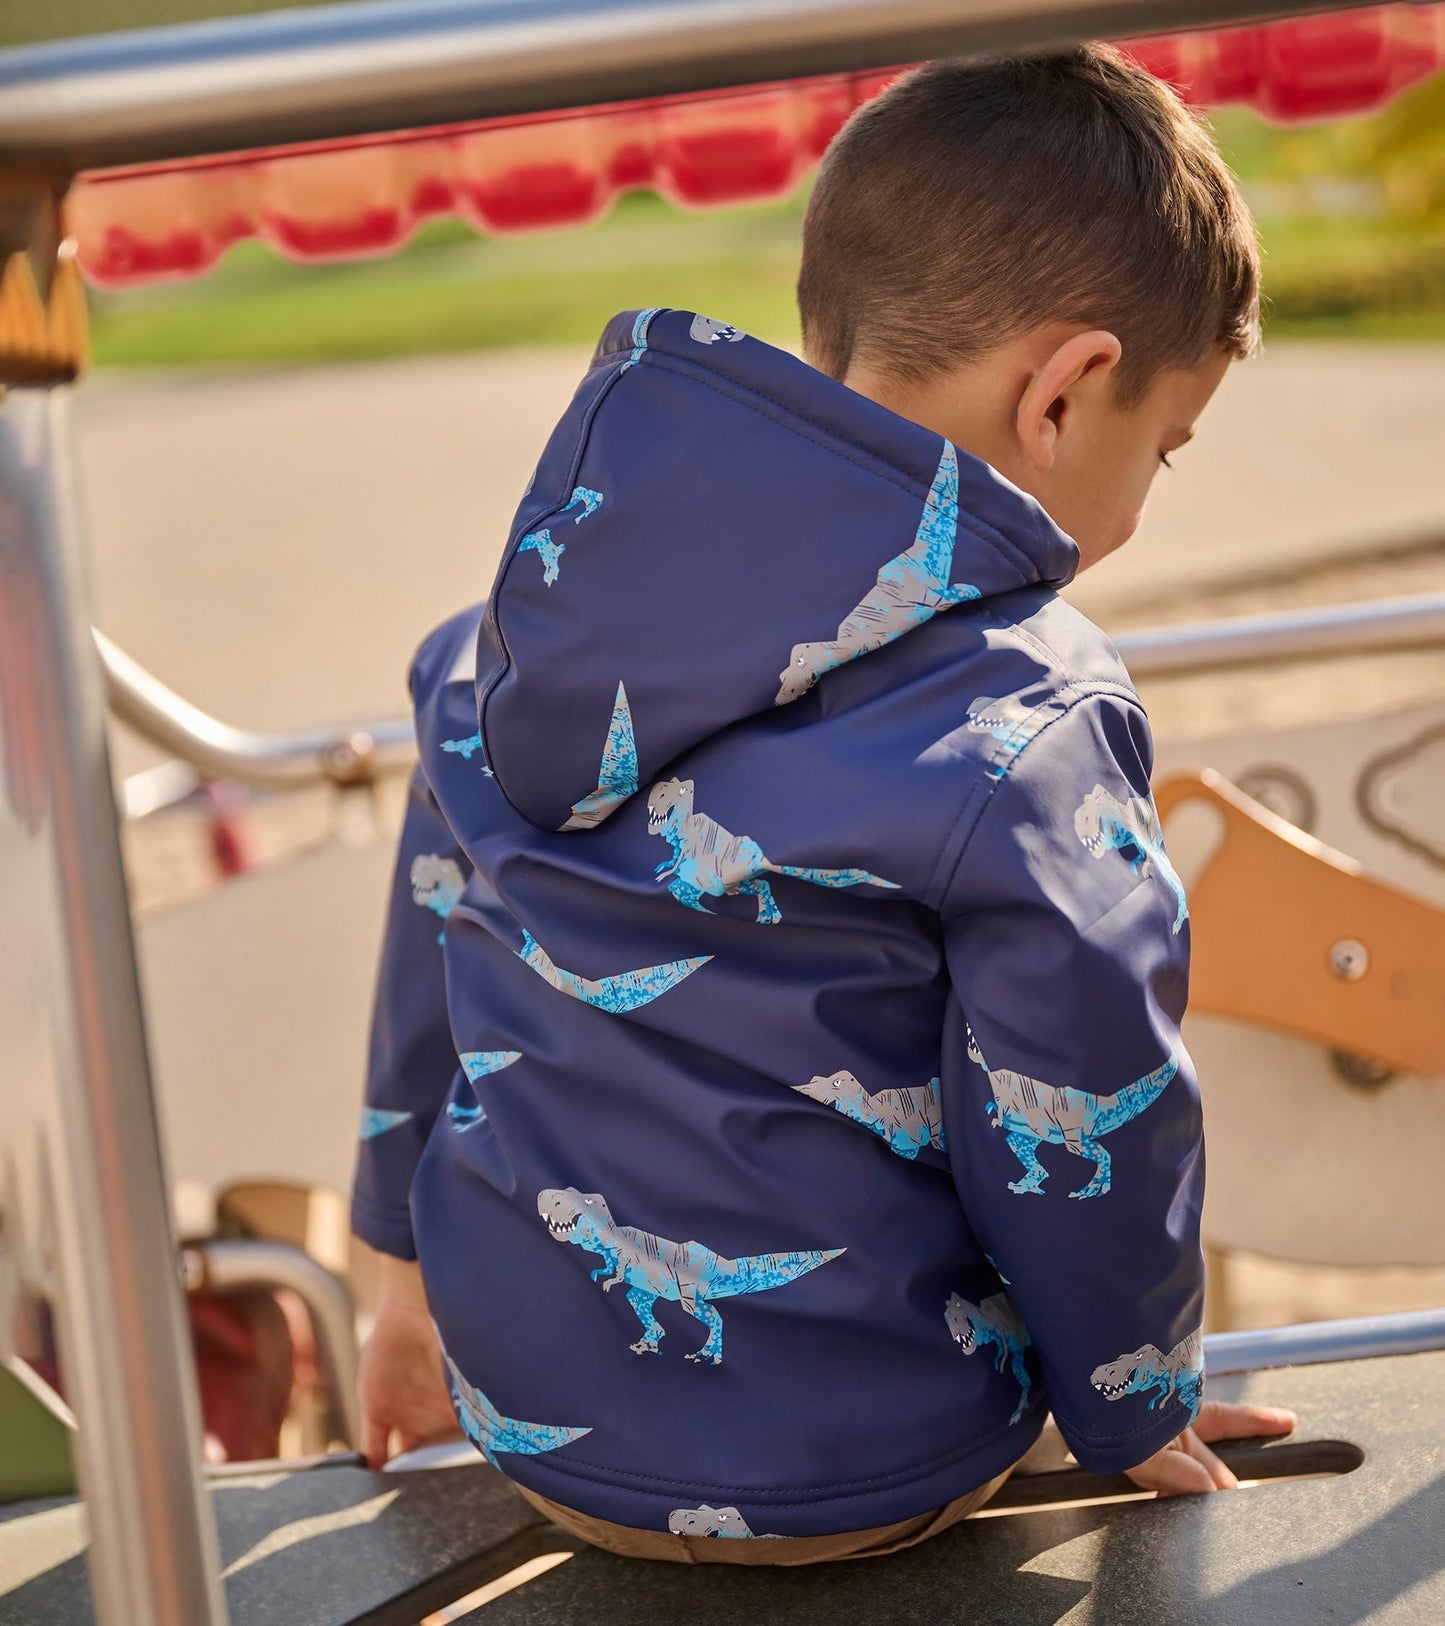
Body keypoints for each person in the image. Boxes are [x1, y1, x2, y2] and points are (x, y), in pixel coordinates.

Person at [351, 46, 1296, 1563]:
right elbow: (1088, 1098)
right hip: (876, 1472)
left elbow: (429, 964)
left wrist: (396, 1271)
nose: (1143, 496)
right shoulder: (1026, 713)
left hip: (533, 1433)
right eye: (1161, 447)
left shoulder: (500, 646)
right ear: (1064, 390)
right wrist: (1131, 1403)